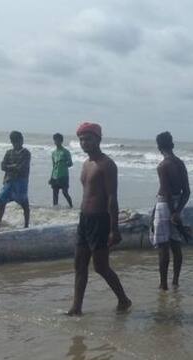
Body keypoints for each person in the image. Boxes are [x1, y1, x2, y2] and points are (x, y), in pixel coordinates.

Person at [67, 122, 131, 316]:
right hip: (84, 219)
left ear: (98, 139)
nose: (84, 143)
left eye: (88, 139)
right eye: (81, 139)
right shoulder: (86, 164)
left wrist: (114, 228)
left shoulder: (107, 164)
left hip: (100, 220)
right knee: (79, 264)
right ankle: (76, 307)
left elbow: (112, 197)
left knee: (101, 267)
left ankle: (124, 299)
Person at [150, 131, 191, 290]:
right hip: (178, 204)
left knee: (163, 247)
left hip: (164, 206)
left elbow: (166, 193)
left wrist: (172, 211)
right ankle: (175, 281)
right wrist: (177, 211)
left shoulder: (162, 166)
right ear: (172, 145)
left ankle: (163, 284)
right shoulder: (181, 164)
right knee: (176, 245)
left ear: (159, 147)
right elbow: (187, 191)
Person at [0, 131, 31, 230]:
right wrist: (13, 166)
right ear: (12, 142)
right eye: (15, 141)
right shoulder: (8, 152)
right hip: (9, 181)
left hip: (21, 182)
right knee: (1, 202)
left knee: (24, 204)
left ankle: (26, 225)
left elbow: (21, 167)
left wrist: (9, 166)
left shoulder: (26, 153)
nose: (18, 143)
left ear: (22, 140)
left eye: (19, 140)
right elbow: (2, 166)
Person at [49, 133, 73, 208]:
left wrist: (64, 162)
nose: (56, 142)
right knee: (55, 194)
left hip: (64, 175)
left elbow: (70, 163)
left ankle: (71, 206)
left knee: (65, 192)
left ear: (61, 141)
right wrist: (51, 177)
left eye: (58, 140)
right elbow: (53, 166)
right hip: (55, 176)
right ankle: (55, 210)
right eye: (55, 140)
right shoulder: (53, 153)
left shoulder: (65, 152)